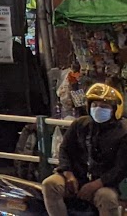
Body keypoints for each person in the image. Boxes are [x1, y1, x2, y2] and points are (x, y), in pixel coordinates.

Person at [43, 83, 127, 216]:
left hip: (105, 183)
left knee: (107, 198)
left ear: (115, 109)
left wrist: (95, 185)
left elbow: (121, 168)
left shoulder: (123, 131)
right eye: (95, 105)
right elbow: (64, 149)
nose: (98, 109)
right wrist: (68, 174)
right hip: (76, 177)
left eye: (104, 107)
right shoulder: (80, 124)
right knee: (50, 184)